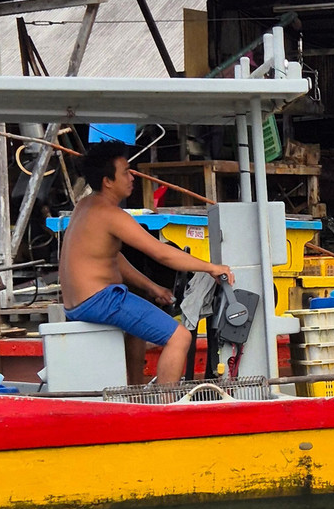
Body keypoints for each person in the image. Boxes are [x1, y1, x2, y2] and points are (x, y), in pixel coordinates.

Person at [59, 141, 234, 385]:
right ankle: (164, 408)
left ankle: (135, 392)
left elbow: (113, 258)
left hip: (76, 304)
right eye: (126, 172)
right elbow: (162, 253)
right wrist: (212, 267)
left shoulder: (85, 206)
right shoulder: (111, 214)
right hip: (100, 301)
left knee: (135, 331)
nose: (132, 177)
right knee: (179, 338)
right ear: (108, 181)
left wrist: (153, 288)